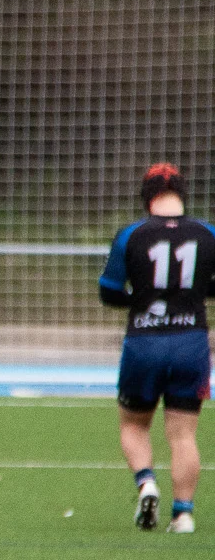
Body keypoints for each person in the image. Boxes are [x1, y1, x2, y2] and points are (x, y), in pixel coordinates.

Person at [98, 163, 215, 532]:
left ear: (147, 196)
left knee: (134, 425)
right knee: (183, 434)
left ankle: (147, 482)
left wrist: (140, 300)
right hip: (191, 343)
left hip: (144, 342)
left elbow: (109, 291)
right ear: (182, 193)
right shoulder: (208, 233)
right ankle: (183, 515)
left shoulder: (131, 235)